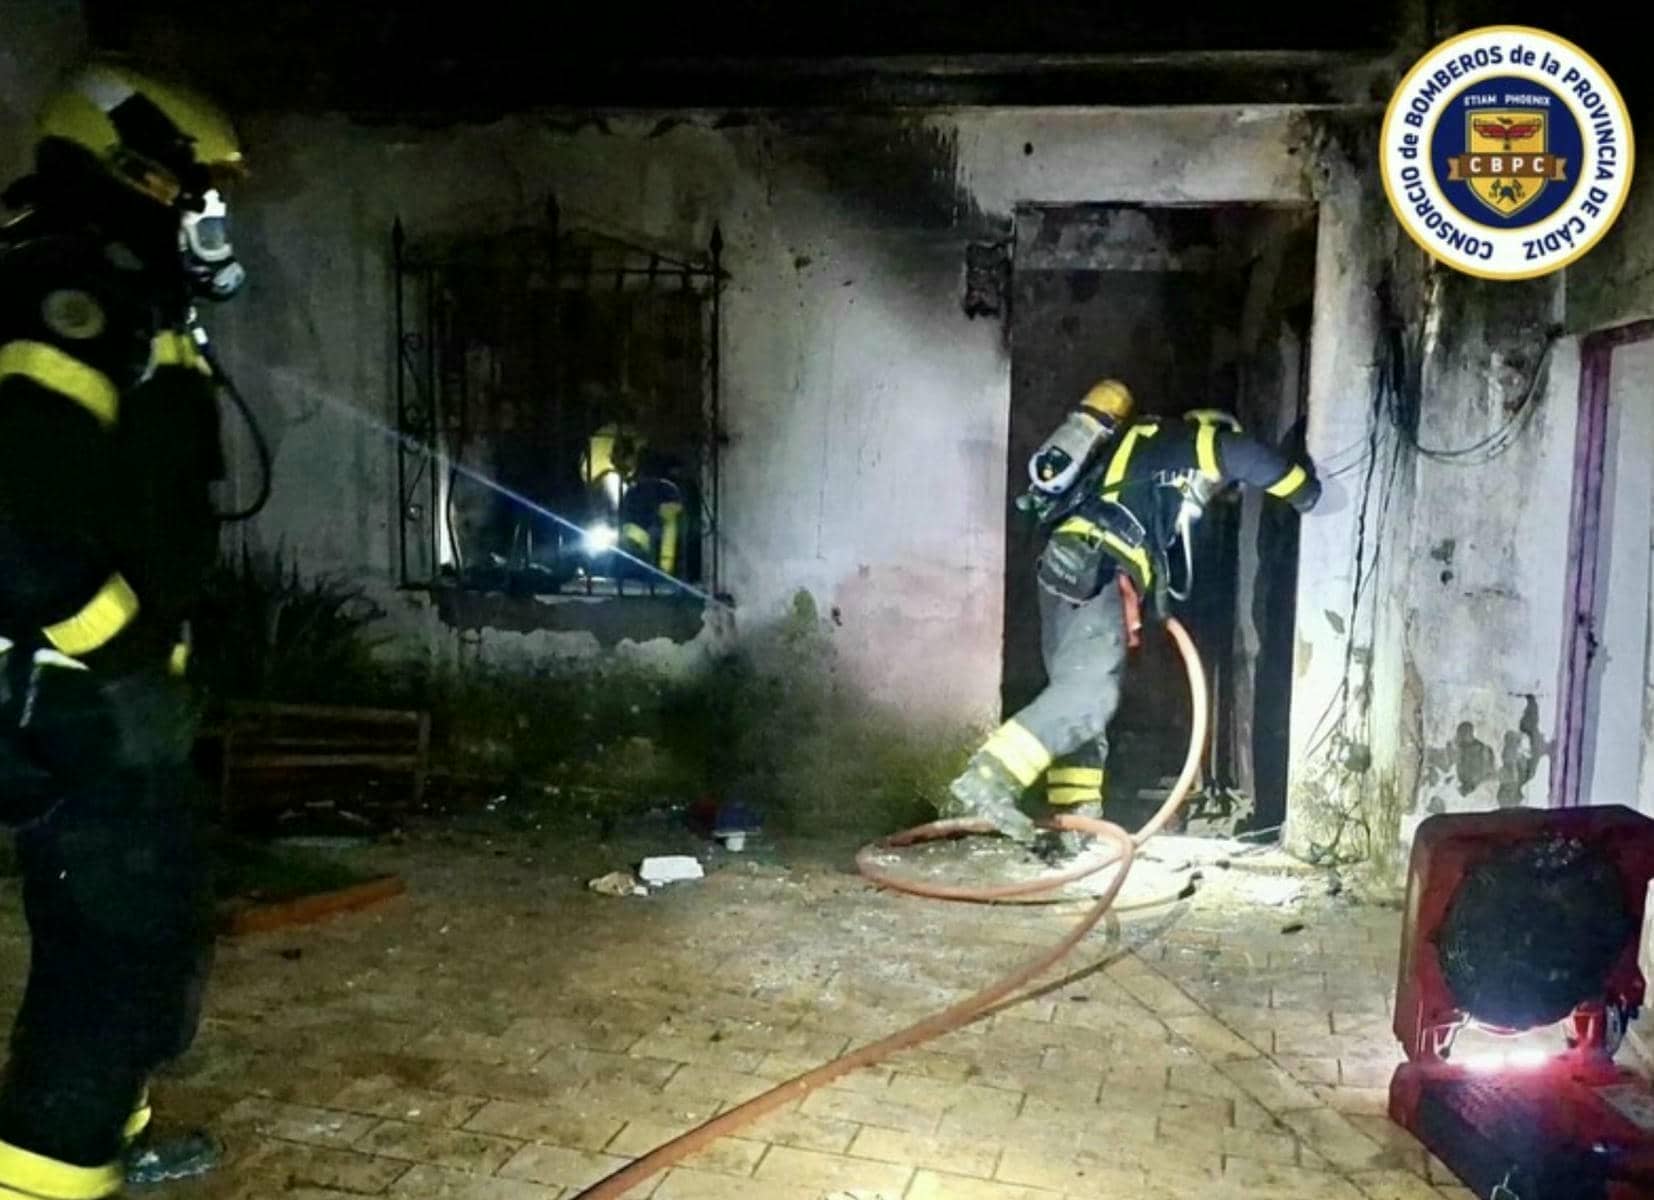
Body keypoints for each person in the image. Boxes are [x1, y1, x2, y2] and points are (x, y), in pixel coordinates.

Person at [0, 59, 252, 1195]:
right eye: (188, 188)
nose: (203, 213)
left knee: (144, 936)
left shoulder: (112, 288)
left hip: (102, 689)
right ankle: (46, 1178)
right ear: (128, 166)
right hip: (75, 692)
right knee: (106, 962)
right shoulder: (71, 288)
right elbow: (15, 526)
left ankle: (110, 1133)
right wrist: (127, 658)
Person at [939, 379, 1322, 859]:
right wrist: (1307, 494)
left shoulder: (1125, 447)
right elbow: (1248, 457)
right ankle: (988, 778)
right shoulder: (1188, 439)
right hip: (1101, 566)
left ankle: (1075, 819)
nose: (1216, 487)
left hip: (1063, 567)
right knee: (1090, 696)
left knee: (1076, 694)